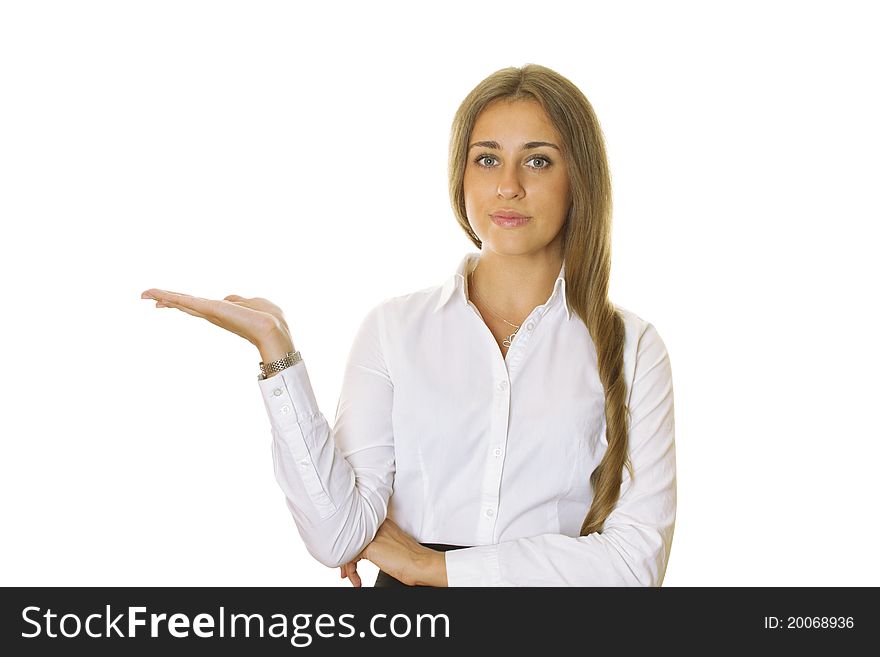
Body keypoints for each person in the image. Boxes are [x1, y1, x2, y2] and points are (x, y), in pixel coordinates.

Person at [141, 63, 676, 587]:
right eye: (487, 159)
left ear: (578, 177)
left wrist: (434, 567)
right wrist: (276, 352)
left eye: (537, 162)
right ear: (460, 176)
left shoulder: (634, 348)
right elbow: (338, 535)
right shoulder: (394, 329)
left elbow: (633, 566)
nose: (508, 186)